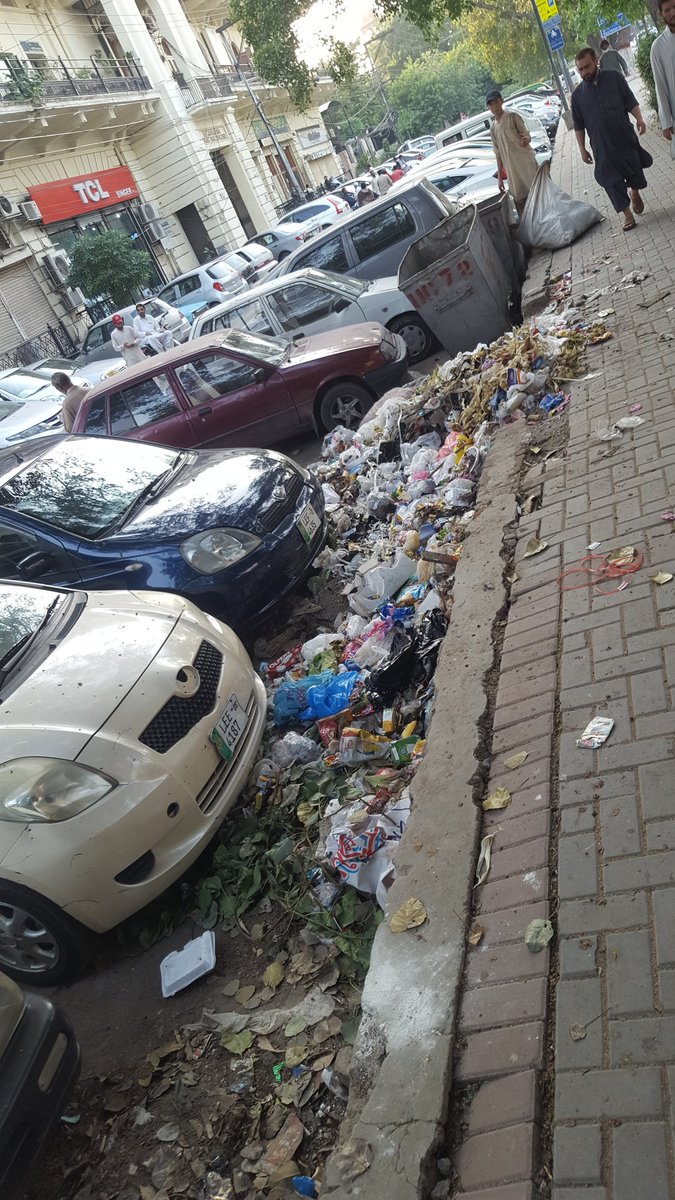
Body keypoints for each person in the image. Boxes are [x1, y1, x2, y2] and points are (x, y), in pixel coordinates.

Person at [571, 46, 651, 231]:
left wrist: (639, 119)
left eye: (587, 67)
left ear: (596, 61)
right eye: (580, 69)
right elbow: (578, 125)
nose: (584, 72)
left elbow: (630, 100)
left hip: (624, 136)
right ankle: (627, 215)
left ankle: (635, 192)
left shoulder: (614, 78)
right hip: (602, 146)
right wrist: (582, 149)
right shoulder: (577, 96)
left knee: (634, 170)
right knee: (609, 180)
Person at [486, 88, 538, 214]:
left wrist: (526, 139)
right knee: (521, 201)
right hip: (512, 171)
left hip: (526, 164)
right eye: (491, 105)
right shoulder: (493, 129)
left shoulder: (512, 117)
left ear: (501, 101)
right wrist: (499, 178)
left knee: (537, 193)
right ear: (489, 108)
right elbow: (498, 155)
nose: (494, 107)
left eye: (496, 102)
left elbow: (526, 135)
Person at [650, 0, 675, 146]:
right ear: (661, 14)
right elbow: (660, 86)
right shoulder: (658, 48)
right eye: (667, 10)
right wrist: (666, 121)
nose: (672, 13)